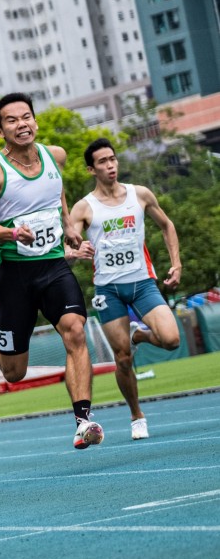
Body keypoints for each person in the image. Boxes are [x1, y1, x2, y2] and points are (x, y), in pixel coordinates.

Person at [0, 93, 104, 450]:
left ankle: (83, 421)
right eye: (11, 121)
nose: (21, 124)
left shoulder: (54, 155)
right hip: (16, 275)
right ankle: (0, 321)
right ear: (1, 132)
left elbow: (55, 190)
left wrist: (67, 224)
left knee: (75, 331)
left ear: (36, 121)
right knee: (15, 373)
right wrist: (11, 232)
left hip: (54, 266)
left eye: (26, 117)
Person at [70, 137, 182, 440]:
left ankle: (140, 334)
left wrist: (176, 263)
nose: (111, 165)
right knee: (122, 358)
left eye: (113, 159)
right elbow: (67, 248)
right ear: (91, 169)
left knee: (171, 340)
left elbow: (167, 225)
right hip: (108, 291)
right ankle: (136, 415)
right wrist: (75, 252)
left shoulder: (140, 195)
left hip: (143, 283)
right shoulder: (84, 207)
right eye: (103, 162)